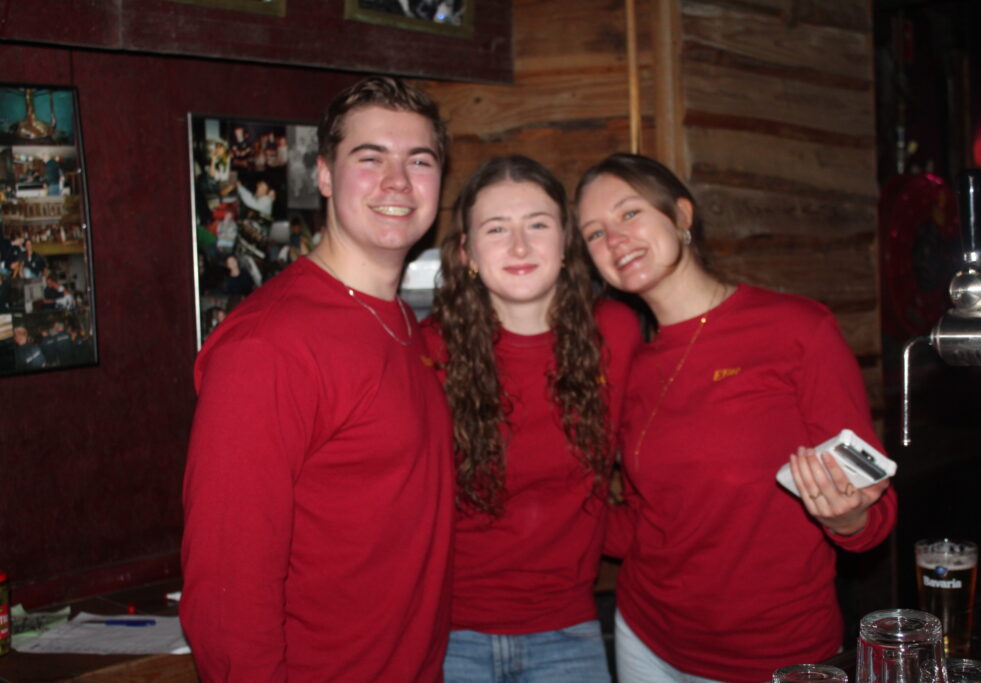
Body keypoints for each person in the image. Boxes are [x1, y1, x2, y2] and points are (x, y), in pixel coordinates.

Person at [575, 153, 897, 683]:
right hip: (647, 639)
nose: (614, 239)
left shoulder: (797, 329)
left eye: (629, 213)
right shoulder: (636, 363)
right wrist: (546, 515)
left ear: (681, 215)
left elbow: (873, 506)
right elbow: (646, 519)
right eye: (594, 233)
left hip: (775, 653)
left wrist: (847, 518)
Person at [181, 76, 455, 682]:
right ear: (325, 176)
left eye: (419, 160)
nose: (397, 181)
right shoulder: (267, 348)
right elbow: (227, 598)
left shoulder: (399, 320)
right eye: (370, 158)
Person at [422, 155, 642, 681]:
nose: (519, 247)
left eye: (537, 225)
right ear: (466, 251)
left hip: (568, 630)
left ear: (566, 243)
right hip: (446, 632)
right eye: (497, 229)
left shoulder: (616, 333)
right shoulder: (427, 350)